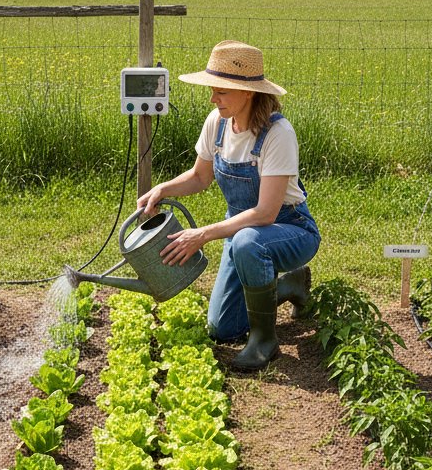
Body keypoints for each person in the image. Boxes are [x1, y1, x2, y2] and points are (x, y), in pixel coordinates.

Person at [137, 40, 320, 370]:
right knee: (222, 328)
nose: (212, 98)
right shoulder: (217, 123)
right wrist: (163, 189)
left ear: (247, 92)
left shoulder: (277, 133)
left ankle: (264, 341)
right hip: (240, 236)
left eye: (221, 91)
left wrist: (203, 234)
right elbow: (199, 177)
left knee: (249, 242)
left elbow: (265, 213)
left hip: (289, 230)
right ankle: (288, 284)